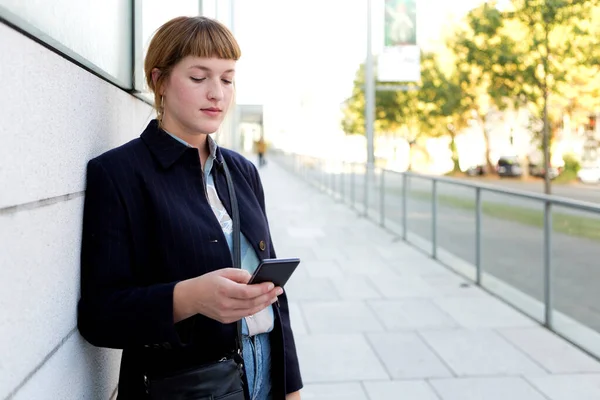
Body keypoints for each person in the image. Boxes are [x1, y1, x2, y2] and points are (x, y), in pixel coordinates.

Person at [77, 16, 302, 400]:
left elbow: (274, 299)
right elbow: (99, 317)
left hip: (265, 378)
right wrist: (188, 298)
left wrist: (291, 388)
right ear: (159, 80)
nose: (217, 93)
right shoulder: (118, 174)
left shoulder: (242, 171)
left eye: (227, 79)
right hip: (187, 388)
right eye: (199, 78)